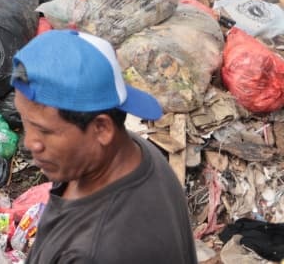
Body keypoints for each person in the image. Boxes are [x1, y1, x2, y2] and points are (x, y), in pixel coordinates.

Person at [11, 30, 198, 264]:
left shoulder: (96, 250)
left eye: (46, 131)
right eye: (25, 122)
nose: (30, 143)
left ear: (102, 128)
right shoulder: (134, 151)